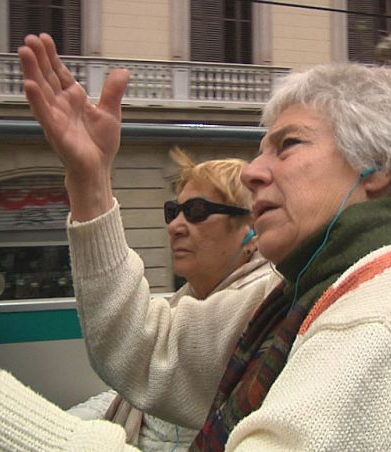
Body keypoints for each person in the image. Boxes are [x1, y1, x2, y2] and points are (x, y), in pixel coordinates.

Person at [0, 33, 391, 450]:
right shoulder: (306, 289)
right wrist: (90, 179)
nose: (256, 169)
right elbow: (147, 348)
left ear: (377, 166)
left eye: (286, 145)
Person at [66, 151, 274, 451]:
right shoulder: (188, 299)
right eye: (173, 211)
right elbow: (123, 397)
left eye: (197, 211)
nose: (174, 226)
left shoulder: (254, 309)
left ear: (252, 230)